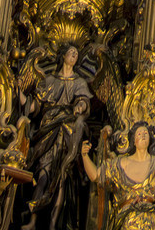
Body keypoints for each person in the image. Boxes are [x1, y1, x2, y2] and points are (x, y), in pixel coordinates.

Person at [25, 47, 92, 230]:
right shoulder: (49, 80)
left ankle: (53, 224)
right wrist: (21, 98)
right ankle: (33, 221)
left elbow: (84, 102)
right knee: (43, 175)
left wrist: (80, 105)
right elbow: (35, 106)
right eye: (71, 51)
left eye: (77, 54)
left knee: (61, 177)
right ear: (63, 55)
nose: (74, 55)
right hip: (48, 128)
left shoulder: (79, 82)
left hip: (66, 132)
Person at [79, 122, 155, 230]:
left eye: (146, 133)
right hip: (126, 222)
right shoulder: (119, 164)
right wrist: (84, 156)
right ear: (133, 141)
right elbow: (96, 176)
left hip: (151, 222)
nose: (143, 135)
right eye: (139, 133)